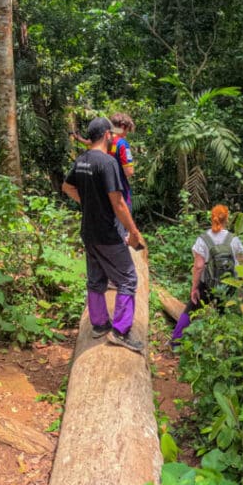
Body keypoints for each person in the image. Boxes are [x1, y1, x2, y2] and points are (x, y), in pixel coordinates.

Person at [63, 117, 147, 353]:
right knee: (128, 279)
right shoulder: (108, 163)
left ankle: (99, 324)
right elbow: (119, 203)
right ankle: (120, 331)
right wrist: (133, 231)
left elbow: (67, 187)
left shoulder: (81, 161)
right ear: (107, 136)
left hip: (88, 232)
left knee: (96, 279)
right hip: (107, 234)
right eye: (111, 134)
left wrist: (88, 203)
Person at [171, 204, 243, 343]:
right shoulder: (234, 239)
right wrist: (241, 287)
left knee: (191, 309)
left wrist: (194, 288)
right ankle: (220, 346)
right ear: (227, 219)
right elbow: (241, 265)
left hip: (207, 285)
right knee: (222, 312)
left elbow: (199, 266)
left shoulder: (203, 239)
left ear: (212, 217)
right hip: (228, 285)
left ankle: (176, 341)